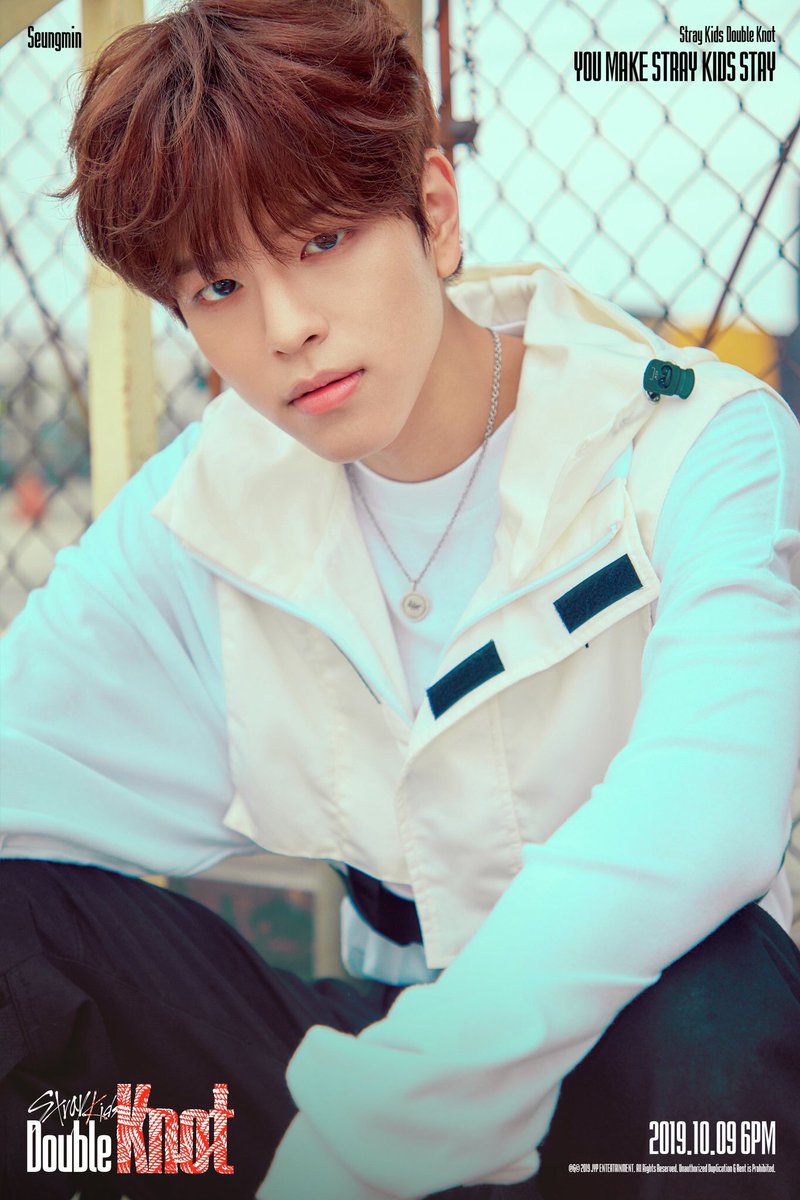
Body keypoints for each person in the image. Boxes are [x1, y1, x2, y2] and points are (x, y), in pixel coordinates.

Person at [1, 1, 799, 1197]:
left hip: (625, 1107)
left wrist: (393, 1115)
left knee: (717, 1000)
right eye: (219, 286)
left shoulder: (690, 444)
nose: (286, 328)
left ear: (433, 209)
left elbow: (707, 808)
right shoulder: (197, 516)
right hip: (339, 1075)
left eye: (321, 240)